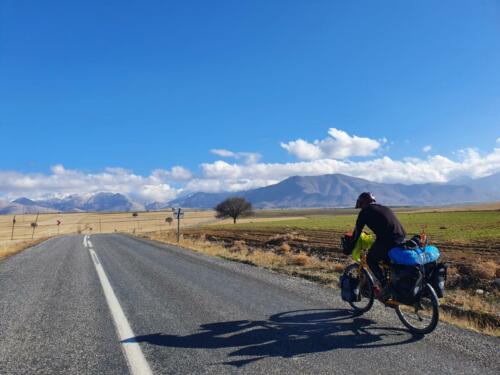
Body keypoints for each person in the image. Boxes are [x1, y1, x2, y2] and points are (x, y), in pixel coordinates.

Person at [352, 192, 406, 300]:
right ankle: (391, 285)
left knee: (371, 259)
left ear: (362, 203)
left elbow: (357, 232)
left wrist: (350, 246)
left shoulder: (365, 212)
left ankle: (385, 287)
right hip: (402, 237)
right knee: (386, 260)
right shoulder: (384, 208)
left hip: (388, 240)